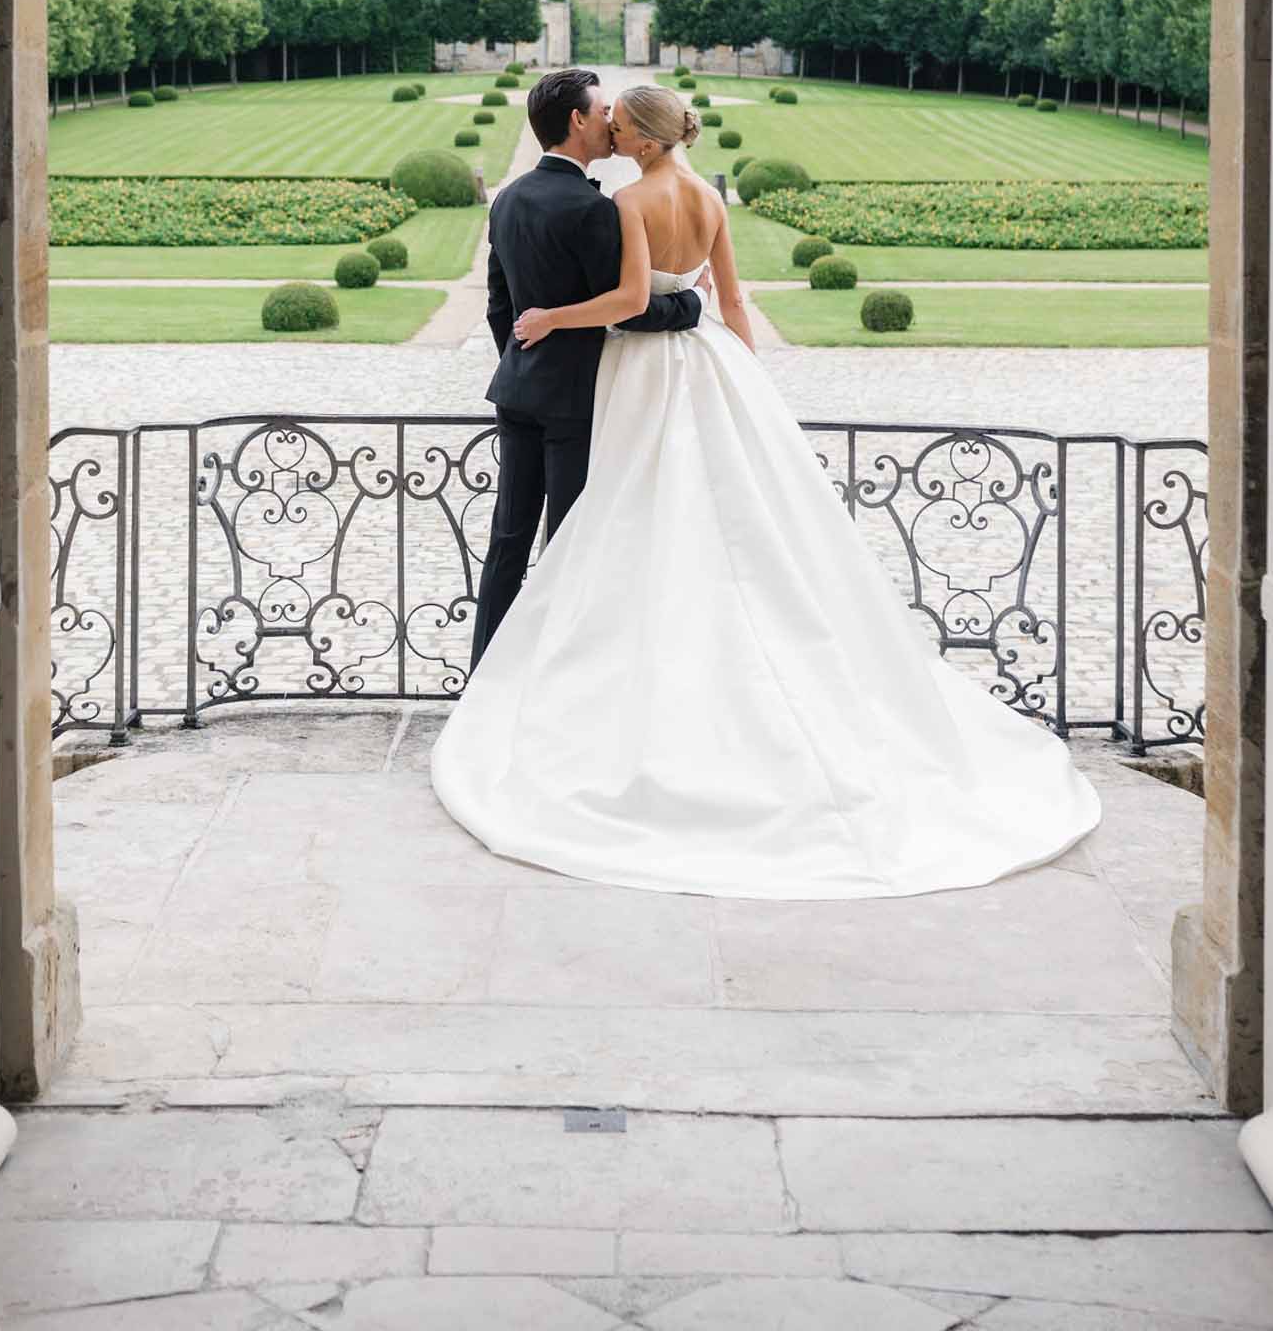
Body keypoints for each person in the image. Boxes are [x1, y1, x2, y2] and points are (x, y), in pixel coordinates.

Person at [431, 82, 1101, 901]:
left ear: (637, 137)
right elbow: (718, 300)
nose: (608, 124)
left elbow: (585, 303)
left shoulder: (593, 202)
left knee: (590, 537)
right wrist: (752, 385)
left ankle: (518, 690)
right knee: (681, 526)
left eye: (618, 118)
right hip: (701, 367)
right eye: (599, 114)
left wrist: (532, 343)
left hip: (593, 382)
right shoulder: (699, 195)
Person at [465, 68, 705, 674]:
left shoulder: (508, 198)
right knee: (571, 547)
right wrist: (692, 304)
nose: (609, 121)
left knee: (507, 543)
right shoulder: (595, 209)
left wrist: (525, 359)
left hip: (518, 390)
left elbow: (500, 306)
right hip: (577, 400)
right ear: (576, 121)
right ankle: (554, 684)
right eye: (601, 112)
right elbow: (629, 310)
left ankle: (484, 681)